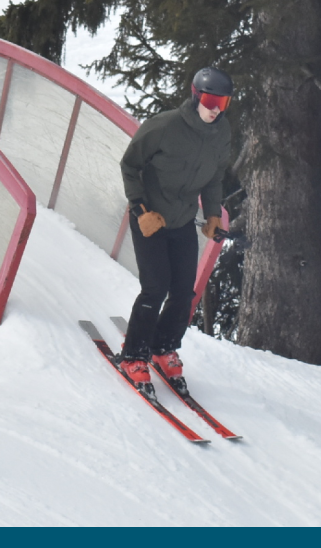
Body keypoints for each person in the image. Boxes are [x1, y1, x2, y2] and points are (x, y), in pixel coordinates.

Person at [118, 67, 233, 398]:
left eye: (222, 103)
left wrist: (213, 214)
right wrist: (140, 208)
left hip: (182, 220)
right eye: (210, 100)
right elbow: (129, 165)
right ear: (196, 95)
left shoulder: (221, 134)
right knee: (155, 288)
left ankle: (163, 346)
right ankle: (133, 355)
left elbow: (214, 177)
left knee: (184, 292)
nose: (215, 109)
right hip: (150, 218)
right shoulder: (165, 126)